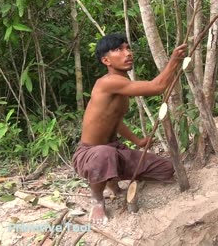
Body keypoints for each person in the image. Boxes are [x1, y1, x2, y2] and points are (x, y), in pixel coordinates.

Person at [72, 33, 187, 225]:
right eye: (118, 50)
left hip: (114, 150)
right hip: (90, 154)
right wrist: (174, 60)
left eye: (127, 48)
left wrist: (137, 141)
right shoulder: (108, 83)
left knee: (166, 169)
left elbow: (114, 121)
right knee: (104, 154)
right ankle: (97, 200)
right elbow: (156, 87)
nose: (127, 53)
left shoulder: (122, 87)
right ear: (105, 60)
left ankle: (111, 180)